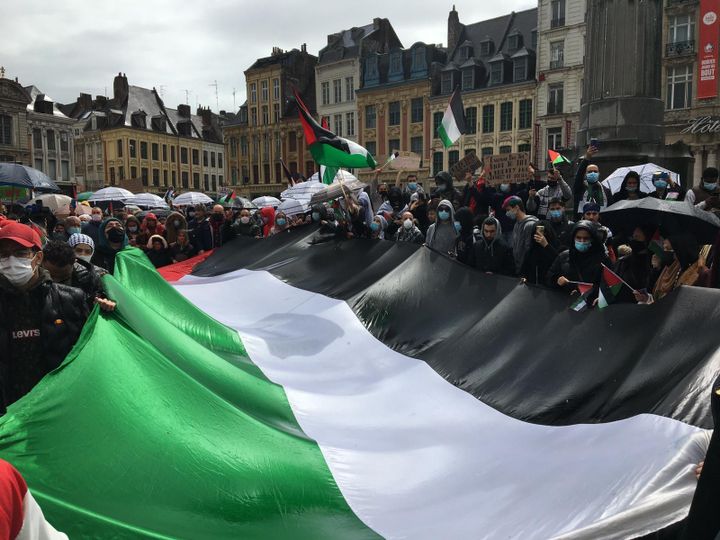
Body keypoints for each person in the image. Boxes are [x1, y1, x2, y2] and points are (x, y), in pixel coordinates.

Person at [0, 222, 88, 413]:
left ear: (38, 257)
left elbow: (88, 352)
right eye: (3, 254)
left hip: (56, 408)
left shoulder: (70, 299)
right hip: (7, 413)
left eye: (20, 253)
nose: (11, 260)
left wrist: (108, 316)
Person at [547, 220, 612, 303]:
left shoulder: (603, 259)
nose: (582, 241)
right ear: (573, 238)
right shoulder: (564, 256)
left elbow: (611, 287)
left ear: (592, 239)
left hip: (591, 308)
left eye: (586, 238)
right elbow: (549, 277)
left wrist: (601, 298)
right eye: (578, 238)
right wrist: (557, 280)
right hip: (566, 306)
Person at [41, 239, 115, 311]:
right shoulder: (32, 277)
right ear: (41, 260)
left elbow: (102, 299)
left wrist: (102, 304)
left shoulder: (91, 278)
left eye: (63, 277)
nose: (56, 282)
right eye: (51, 275)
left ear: (74, 262)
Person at [647, 234, 708, 302]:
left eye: (674, 249)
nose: (674, 255)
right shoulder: (677, 266)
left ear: (682, 249)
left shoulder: (699, 273)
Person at [613, 226, 655, 303]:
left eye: (637, 237)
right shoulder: (623, 262)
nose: (634, 241)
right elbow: (613, 284)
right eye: (633, 237)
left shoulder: (654, 263)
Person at [503, 196, 539, 275]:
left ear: (516, 207)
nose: (507, 213)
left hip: (527, 270)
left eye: (508, 210)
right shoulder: (516, 224)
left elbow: (528, 250)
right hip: (518, 268)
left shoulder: (529, 225)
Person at [573, 145, 612, 217]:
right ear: (585, 174)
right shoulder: (580, 188)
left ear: (599, 174)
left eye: (595, 171)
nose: (593, 173)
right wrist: (587, 158)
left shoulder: (606, 191)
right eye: (590, 172)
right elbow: (579, 174)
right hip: (583, 223)